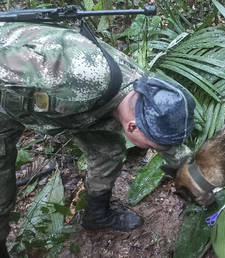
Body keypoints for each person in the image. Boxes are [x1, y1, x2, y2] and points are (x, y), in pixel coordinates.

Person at [0, 22, 195, 257]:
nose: (155, 149)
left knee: (108, 152)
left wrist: (199, 179)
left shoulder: (147, 92)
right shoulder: (70, 79)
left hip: (74, 110)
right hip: (8, 98)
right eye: (152, 146)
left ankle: (96, 216)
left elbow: (168, 143)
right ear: (132, 126)